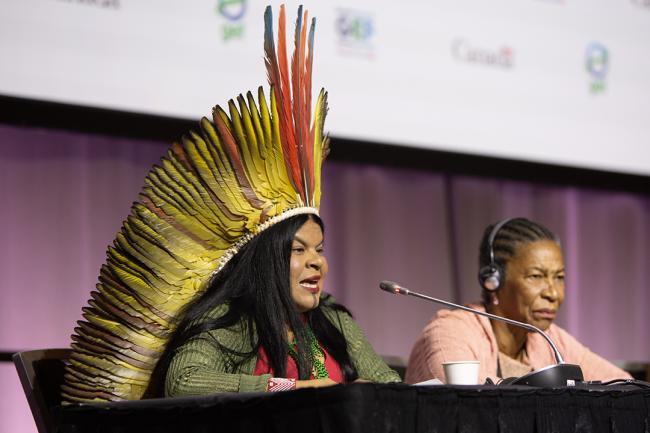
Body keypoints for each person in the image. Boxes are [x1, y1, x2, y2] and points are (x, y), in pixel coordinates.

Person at [150, 213, 400, 396]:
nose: (317, 262)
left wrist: (371, 393)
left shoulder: (332, 317)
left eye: (320, 249)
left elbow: (388, 382)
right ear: (267, 260)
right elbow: (183, 381)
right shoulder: (231, 317)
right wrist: (294, 388)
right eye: (299, 250)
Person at [405, 217, 631, 384]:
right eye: (536, 276)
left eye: (559, 277)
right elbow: (463, 394)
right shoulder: (450, 330)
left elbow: (624, 386)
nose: (553, 293)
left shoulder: (550, 340)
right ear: (493, 280)